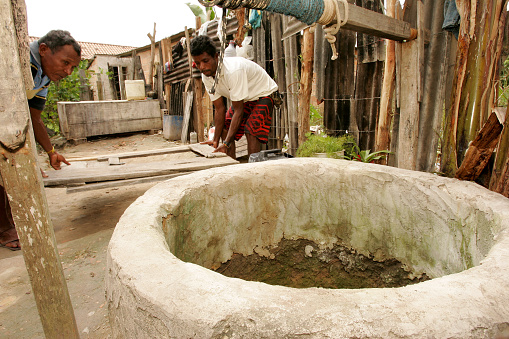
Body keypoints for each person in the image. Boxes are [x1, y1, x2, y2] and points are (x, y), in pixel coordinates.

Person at [0, 30, 81, 251]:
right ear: (43, 50)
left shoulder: (42, 76)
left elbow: (33, 116)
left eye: (72, 67)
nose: (68, 71)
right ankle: (5, 228)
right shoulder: (16, 61)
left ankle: (9, 223)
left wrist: (50, 151)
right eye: (65, 63)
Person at [190, 35, 278, 159]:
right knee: (224, 127)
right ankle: (231, 165)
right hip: (246, 98)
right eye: (197, 63)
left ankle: (253, 171)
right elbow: (220, 109)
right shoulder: (206, 76)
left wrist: (226, 143)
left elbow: (238, 110)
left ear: (216, 57)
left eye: (205, 61)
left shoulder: (233, 71)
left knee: (251, 129)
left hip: (264, 94)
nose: (202, 67)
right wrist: (215, 140)